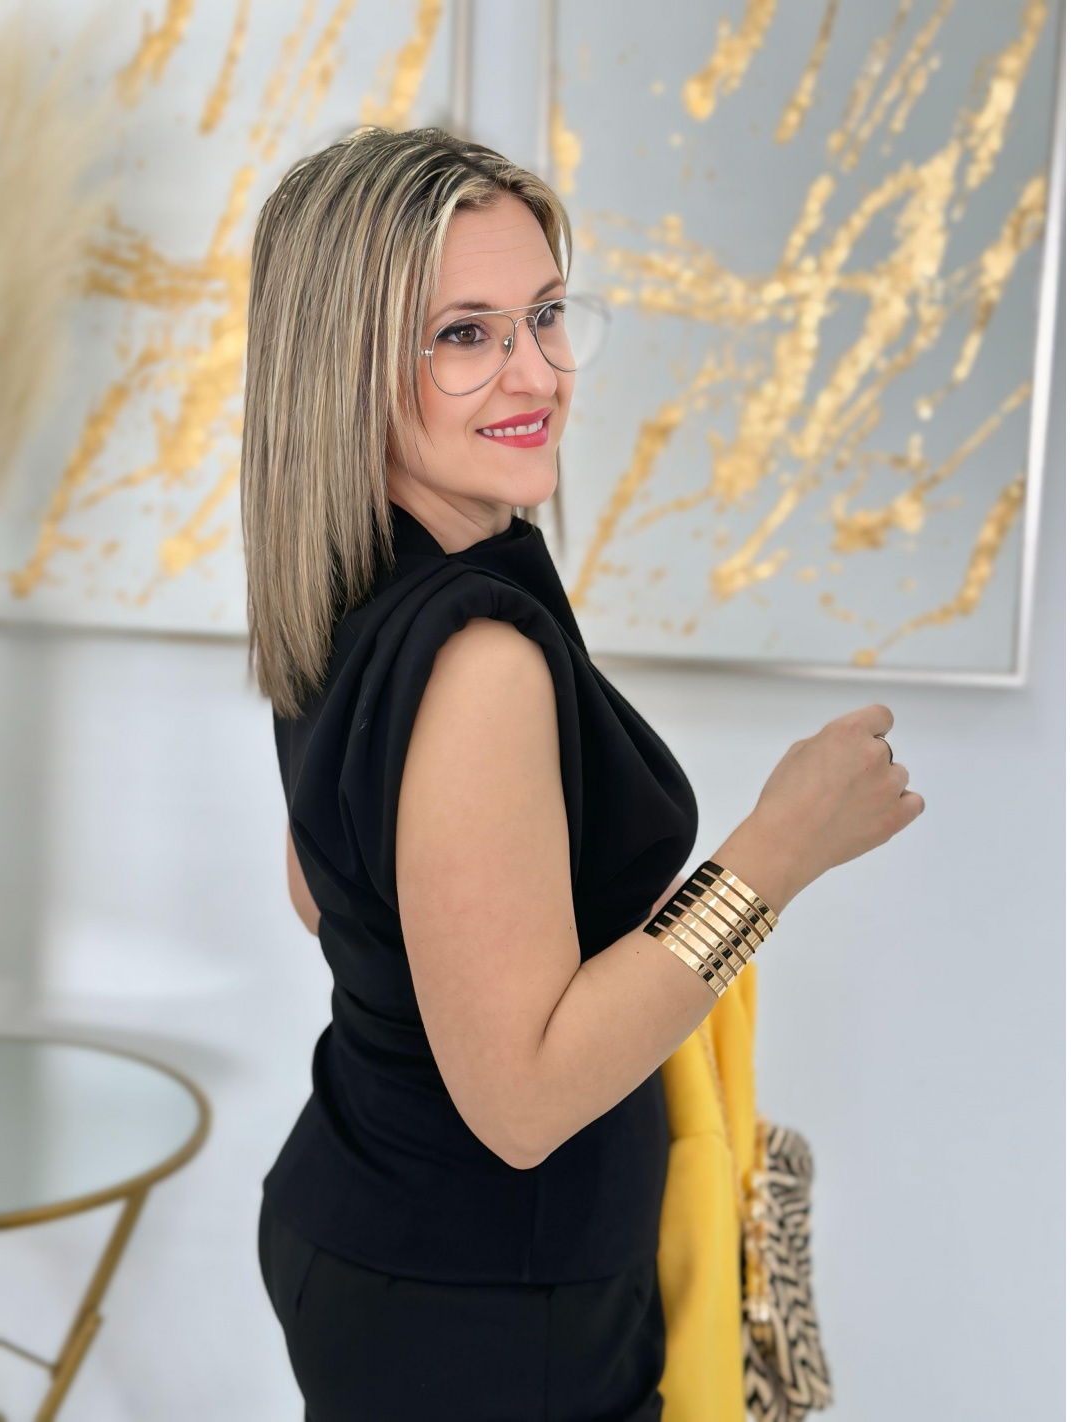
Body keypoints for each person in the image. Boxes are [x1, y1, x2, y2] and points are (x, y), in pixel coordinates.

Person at [240, 125, 924, 1422]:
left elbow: (322, 892)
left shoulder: (344, 578)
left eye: (548, 315)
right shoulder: (478, 658)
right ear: (347, 364)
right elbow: (523, 1106)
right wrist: (778, 851)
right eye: (466, 333)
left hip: (381, 1236)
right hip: (487, 1313)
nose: (538, 372)